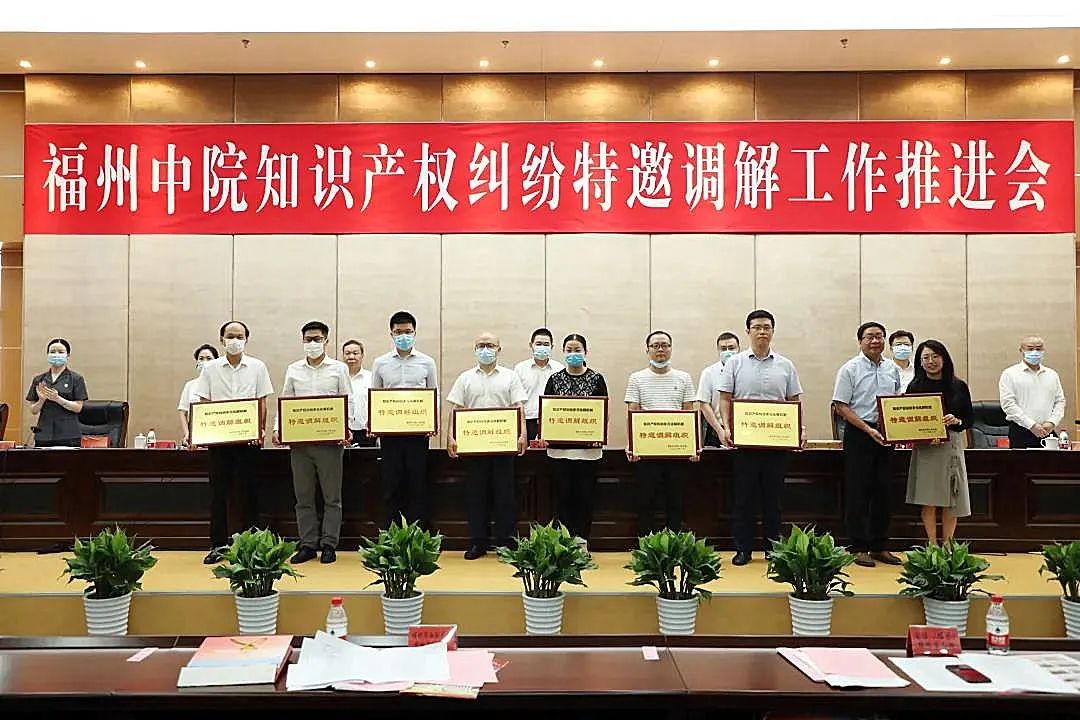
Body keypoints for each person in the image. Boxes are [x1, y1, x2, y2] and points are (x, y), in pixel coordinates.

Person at [719, 310, 804, 567]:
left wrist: (800, 429)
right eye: (757, 327)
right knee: (744, 499)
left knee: (773, 500)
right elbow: (725, 398)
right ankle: (743, 549)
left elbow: (793, 401)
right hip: (744, 444)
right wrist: (726, 427)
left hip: (776, 444)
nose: (762, 331)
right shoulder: (735, 363)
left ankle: (772, 548)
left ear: (773, 331)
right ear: (748, 332)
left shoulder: (786, 365)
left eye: (766, 327)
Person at [193, 321, 274, 564]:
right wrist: (204, 432)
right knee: (218, 495)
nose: (235, 340)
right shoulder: (210, 369)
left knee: (249, 493)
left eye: (239, 336)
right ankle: (218, 545)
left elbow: (262, 402)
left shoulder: (258, 367)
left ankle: (251, 545)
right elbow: (204, 402)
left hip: (248, 442)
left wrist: (260, 430)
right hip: (219, 443)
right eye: (230, 336)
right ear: (221, 339)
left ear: (247, 339)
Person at [273, 321, 353, 565]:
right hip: (300, 445)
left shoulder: (339, 369)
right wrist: (278, 429)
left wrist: (346, 428)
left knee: (332, 497)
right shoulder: (293, 369)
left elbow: (348, 400)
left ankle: (329, 544)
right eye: (308, 339)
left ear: (326, 341)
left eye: (317, 339)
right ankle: (308, 544)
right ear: (302, 341)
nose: (312, 343)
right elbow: (285, 401)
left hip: (330, 443)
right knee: (303, 497)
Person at [446, 331, 528, 559]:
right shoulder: (465, 378)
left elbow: (518, 407)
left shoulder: (510, 377)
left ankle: (505, 542)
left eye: (490, 345)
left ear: (499, 350)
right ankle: (477, 542)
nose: (485, 349)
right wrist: (450, 437)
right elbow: (456, 409)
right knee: (476, 495)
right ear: (475, 350)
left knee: (505, 495)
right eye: (481, 345)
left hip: (503, 446)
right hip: (473, 448)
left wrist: (523, 434)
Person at [832, 322, 902, 568]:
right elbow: (840, 406)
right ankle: (858, 547)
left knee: (884, 492)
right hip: (859, 434)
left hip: (886, 433)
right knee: (858, 492)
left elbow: (897, 401)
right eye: (870, 337)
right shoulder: (849, 369)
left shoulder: (892, 369)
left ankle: (880, 546)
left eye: (879, 337)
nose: (875, 341)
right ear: (860, 341)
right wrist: (867, 429)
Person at [625, 330, 698, 537]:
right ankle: (646, 546)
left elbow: (688, 413)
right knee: (645, 501)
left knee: (675, 502)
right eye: (655, 345)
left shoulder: (683, 378)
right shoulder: (637, 378)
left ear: (671, 349)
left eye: (665, 345)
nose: (660, 350)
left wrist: (692, 447)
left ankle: (674, 545)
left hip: (676, 452)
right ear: (647, 350)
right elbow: (632, 413)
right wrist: (632, 445)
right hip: (647, 452)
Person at [370, 311, 439, 529]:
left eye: (408, 332)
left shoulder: (427, 362)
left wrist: (432, 422)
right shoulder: (380, 363)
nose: (403, 336)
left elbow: (434, 395)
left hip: (418, 434)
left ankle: (419, 534)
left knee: (417, 485)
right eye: (399, 332)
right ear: (391, 333)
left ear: (415, 332)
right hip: (389, 435)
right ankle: (392, 535)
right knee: (392, 486)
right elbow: (375, 396)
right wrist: (374, 423)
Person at [905, 340, 973, 545]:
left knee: (952, 499)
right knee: (929, 498)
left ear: (944, 358)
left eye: (935, 356)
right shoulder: (915, 386)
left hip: (950, 445)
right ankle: (932, 545)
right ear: (920, 362)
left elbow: (969, 419)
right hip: (926, 448)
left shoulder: (958, 385)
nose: (931, 361)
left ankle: (949, 546)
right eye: (925, 357)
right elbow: (908, 419)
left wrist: (957, 421)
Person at [542, 333, 609, 542]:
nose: (573, 354)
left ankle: (581, 543)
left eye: (577, 350)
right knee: (562, 499)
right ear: (563, 353)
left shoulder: (597, 379)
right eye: (569, 350)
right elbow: (547, 412)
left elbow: (603, 412)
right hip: (559, 452)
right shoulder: (554, 379)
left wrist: (598, 434)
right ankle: (564, 545)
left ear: (585, 352)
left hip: (588, 452)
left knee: (585, 499)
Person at [998, 335, 1066, 449]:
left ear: (1043, 350)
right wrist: (1031, 425)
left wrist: (1052, 422)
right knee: (1022, 461)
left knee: (1053, 460)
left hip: (1047, 431)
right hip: (1021, 431)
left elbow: (1060, 401)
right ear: (1021, 350)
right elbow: (1008, 404)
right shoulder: (1010, 374)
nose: (1035, 352)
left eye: (1038, 349)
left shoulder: (1052, 375)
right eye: (1030, 348)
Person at [26, 338, 88, 448]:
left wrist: (57, 399)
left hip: (68, 434)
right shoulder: (39, 379)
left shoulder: (76, 379)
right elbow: (33, 410)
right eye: (52, 352)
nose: (56, 355)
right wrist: (41, 400)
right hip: (44, 433)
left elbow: (78, 408)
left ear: (67, 355)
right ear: (47, 354)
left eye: (60, 352)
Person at [515, 327, 564, 441]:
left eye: (546, 344)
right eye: (538, 344)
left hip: (552, 421)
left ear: (552, 347)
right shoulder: (520, 369)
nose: (542, 347)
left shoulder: (559, 369)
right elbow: (517, 400)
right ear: (531, 345)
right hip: (527, 421)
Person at [697, 332, 741, 447]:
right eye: (723, 349)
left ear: (739, 349)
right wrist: (719, 430)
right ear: (718, 351)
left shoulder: (746, 370)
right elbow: (704, 404)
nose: (727, 352)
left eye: (731, 348)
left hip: (744, 428)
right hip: (717, 431)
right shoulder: (709, 372)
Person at [178, 344, 218, 447]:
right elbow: (183, 412)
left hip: (217, 433)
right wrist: (187, 434)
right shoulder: (190, 385)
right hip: (195, 435)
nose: (205, 362)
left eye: (209, 358)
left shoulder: (220, 384)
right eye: (201, 359)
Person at [342, 339, 376, 447]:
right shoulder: (338, 378)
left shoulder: (371, 378)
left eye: (355, 353)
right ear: (343, 356)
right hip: (342, 432)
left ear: (362, 355)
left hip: (366, 432)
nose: (351, 356)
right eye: (347, 353)